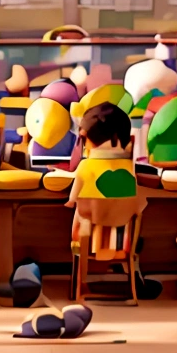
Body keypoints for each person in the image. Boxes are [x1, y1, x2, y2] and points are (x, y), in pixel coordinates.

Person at [66, 101, 139, 257]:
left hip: (86, 240)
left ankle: (82, 275)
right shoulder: (131, 169)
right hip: (124, 243)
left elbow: (73, 196)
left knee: (82, 213)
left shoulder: (86, 166)